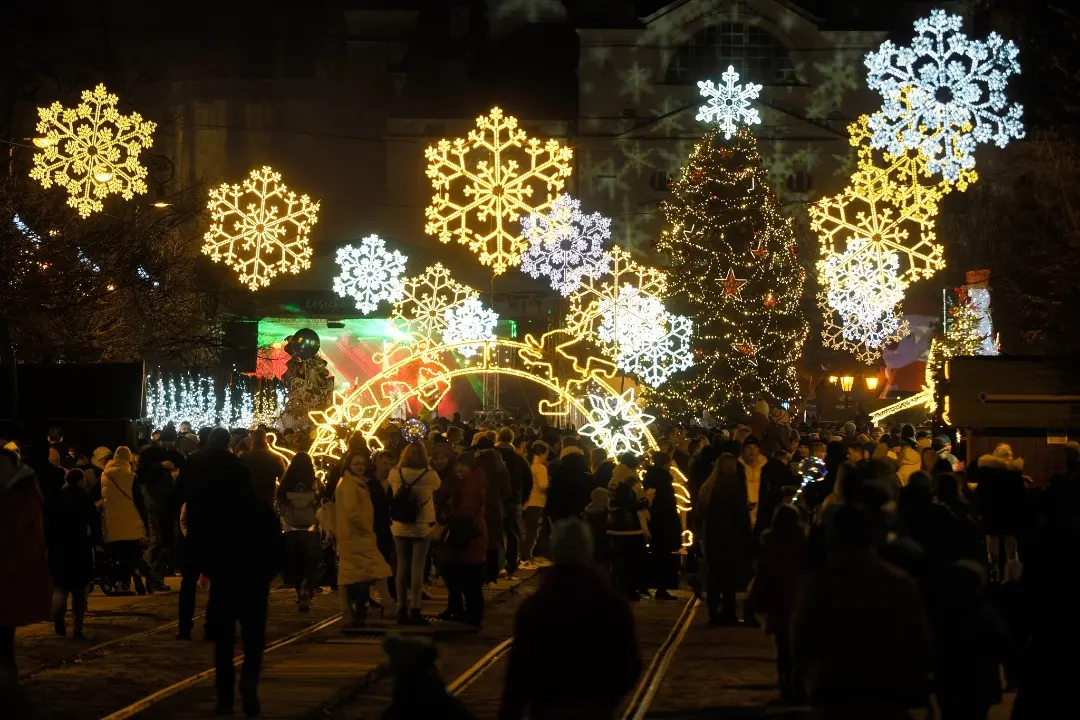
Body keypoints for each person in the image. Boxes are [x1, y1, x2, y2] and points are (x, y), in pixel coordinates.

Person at [792, 504, 932, 718]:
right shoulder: (897, 582)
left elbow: (801, 636)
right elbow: (918, 640)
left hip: (834, 690)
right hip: (884, 692)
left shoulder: (819, 583)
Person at [498, 519, 641, 720]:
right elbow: (630, 662)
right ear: (588, 552)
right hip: (596, 707)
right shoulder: (611, 604)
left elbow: (518, 672)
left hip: (548, 707)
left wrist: (510, 712)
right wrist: (608, 696)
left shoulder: (536, 605)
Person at [185, 427, 283, 717]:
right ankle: (249, 688)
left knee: (224, 642)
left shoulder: (220, 513)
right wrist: (267, 574)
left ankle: (225, 695)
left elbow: (207, 545)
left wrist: (212, 570)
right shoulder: (263, 513)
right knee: (253, 641)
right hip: (254, 584)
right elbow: (277, 548)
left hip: (226, 583)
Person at [0, 448, 52, 703]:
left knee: (4, 638)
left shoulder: (21, 499)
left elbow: (25, 543)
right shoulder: (19, 495)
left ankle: (9, 687)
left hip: (7, 579)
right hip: (8, 577)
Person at [934, 560, 1011, 720]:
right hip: (980, 684)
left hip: (950, 683)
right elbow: (1004, 646)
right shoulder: (986, 613)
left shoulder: (943, 613)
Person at [749, 504, 808, 704]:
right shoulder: (803, 545)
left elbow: (763, 576)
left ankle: (785, 681)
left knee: (782, 647)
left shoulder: (770, 545)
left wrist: (757, 599)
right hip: (797, 601)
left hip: (778, 603)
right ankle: (796, 683)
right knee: (798, 647)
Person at [336, 452, 394, 630]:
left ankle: (350, 612)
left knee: (350, 574)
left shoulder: (355, 483)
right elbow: (353, 512)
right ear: (348, 466)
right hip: (357, 536)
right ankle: (388, 605)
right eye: (356, 464)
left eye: (361, 464)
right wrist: (366, 528)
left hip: (354, 536)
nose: (359, 467)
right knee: (377, 569)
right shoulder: (349, 484)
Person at [698, 441, 752, 625]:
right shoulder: (732, 485)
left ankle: (714, 610)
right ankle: (729, 612)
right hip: (730, 537)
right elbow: (740, 513)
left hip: (712, 536)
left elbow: (701, 510)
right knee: (729, 576)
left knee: (714, 574)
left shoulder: (709, 486)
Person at [388, 442, 441, 625]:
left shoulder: (395, 473)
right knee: (418, 567)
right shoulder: (430, 475)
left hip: (400, 524)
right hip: (422, 524)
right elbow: (437, 487)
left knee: (401, 566)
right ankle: (415, 607)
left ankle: (400, 606)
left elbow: (390, 486)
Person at [47, 469, 97, 639]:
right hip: (79, 548)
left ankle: (57, 615)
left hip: (59, 549)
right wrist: (95, 543)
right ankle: (78, 628)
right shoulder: (85, 498)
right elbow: (94, 523)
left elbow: (48, 524)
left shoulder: (57, 498)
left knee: (60, 588)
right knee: (79, 592)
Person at [441, 452, 488, 625]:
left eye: (463, 465)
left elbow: (468, 507)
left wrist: (452, 517)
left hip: (469, 531)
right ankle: (462, 609)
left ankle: (472, 613)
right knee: (460, 570)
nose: (459, 468)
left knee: (469, 574)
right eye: (457, 465)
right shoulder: (466, 481)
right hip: (465, 530)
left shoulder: (472, 483)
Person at [100, 446, 154, 595]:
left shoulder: (104, 475)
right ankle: (144, 574)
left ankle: (127, 578)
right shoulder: (130, 476)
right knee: (134, 553)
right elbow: (139, 501)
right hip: (131, 520)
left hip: (111, 521)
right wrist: (145, 522)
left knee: (120, 554)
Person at [277, 452, 321, 612]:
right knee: (311, 562)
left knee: (296, 562)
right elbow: (321, 500)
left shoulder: (287, 481)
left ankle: (299, 591)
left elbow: (279, 498)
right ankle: (307, 588)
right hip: (310, 526)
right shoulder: (314, 482)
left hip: (291, 526)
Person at [607, 453, 650, 601]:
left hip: (615, 525)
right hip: (629, 526)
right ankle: (629, 589)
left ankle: (620, 587)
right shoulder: (629, 481)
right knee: (632, 558)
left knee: (620, 559)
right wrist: (646, 502)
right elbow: (630, 504)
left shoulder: (614, 478)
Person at [643, 452, 681, 600]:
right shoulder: (663, 479)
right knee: (663, 556)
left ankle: (660, 587)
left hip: (656, 521)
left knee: (659, 554)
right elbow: (667, 503)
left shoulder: (651, 478)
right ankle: (662, 587)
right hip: (664, 522)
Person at [495, 428, 530, 576]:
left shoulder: (491, 456)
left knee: (496, 532)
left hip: (495, 500)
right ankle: (512, 563)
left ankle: (496, 563)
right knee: (513, 532)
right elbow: (528, 480)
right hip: (514, 500)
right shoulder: (519, 458)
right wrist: (522, 498)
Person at [476, 446, 510, 582]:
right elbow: (507, 492)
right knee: (494, 540)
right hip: (495, 507)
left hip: (479, 506)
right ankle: (492, 573)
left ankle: (480, 571)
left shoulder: (478, 471)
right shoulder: (502, 471)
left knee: (479, 539)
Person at [240, 429, 286, 509]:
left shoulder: (244, 457)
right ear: (267, 440)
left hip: (248, 496)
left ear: (252, 440)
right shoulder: (276, 458)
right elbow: (283, 478)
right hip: (268, 495)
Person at [521, 441, 549, 567]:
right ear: (542, 454)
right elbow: (543, 486)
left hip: (528, 502)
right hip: (537, 502)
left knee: (528, 530)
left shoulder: (530, 466)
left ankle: (525, 553)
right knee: (533, 531)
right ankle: (526, 554)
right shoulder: (540, 468)